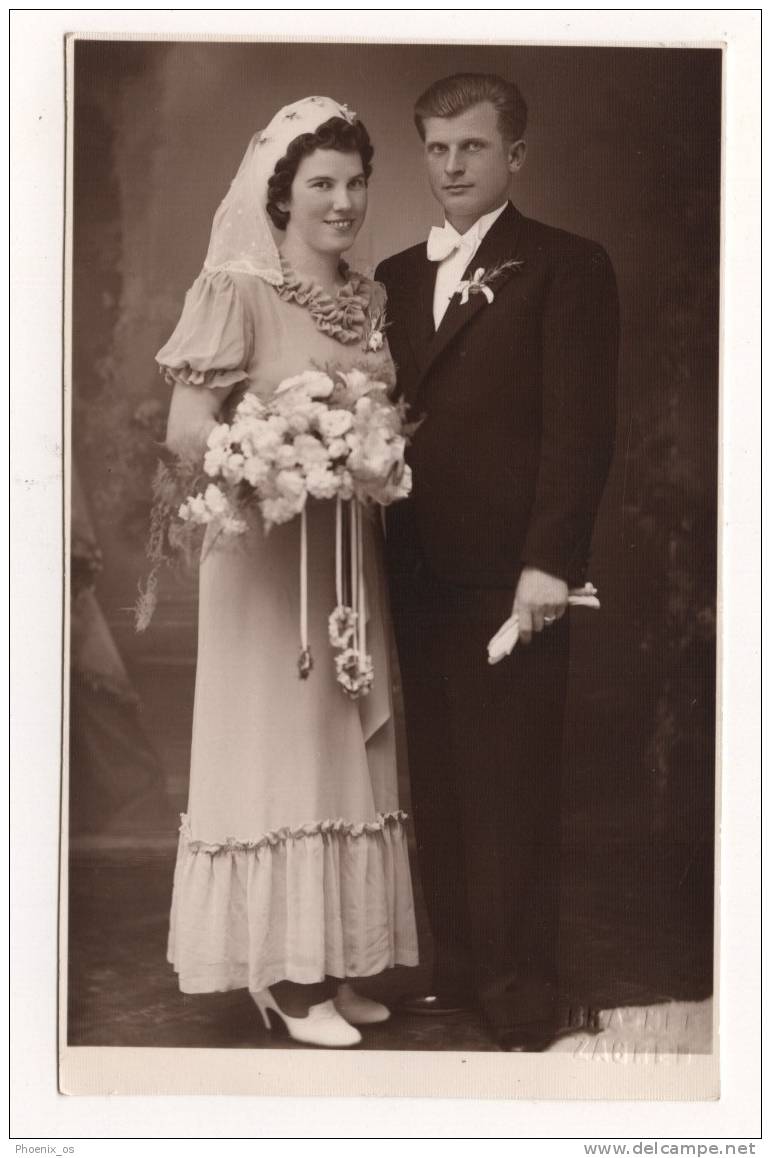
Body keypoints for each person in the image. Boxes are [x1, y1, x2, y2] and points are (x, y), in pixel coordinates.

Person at [156, 96, 418, 1049]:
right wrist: (277, 452)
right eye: (320, 184)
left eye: (354, 183)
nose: (341, 202)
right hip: (269, 569)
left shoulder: (369, 296)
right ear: (279, 194)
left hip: (351, 560)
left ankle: (334, 960)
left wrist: (366, 452)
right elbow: (188, 434)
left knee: (345, 742)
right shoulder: (235, 287)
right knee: (281, 746)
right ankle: (282, 974)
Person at [376, 73, 619, 1051]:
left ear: (515, 156)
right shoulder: (394, 274)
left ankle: (521, 991)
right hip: (413, 565)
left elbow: (581, 426)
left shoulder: (566, 265)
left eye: (471, 149)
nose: (451, 167)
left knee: (510, 780)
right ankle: (459, 972)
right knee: (435, 774)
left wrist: (550, 561)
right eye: (436, 149)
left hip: (512, 572)